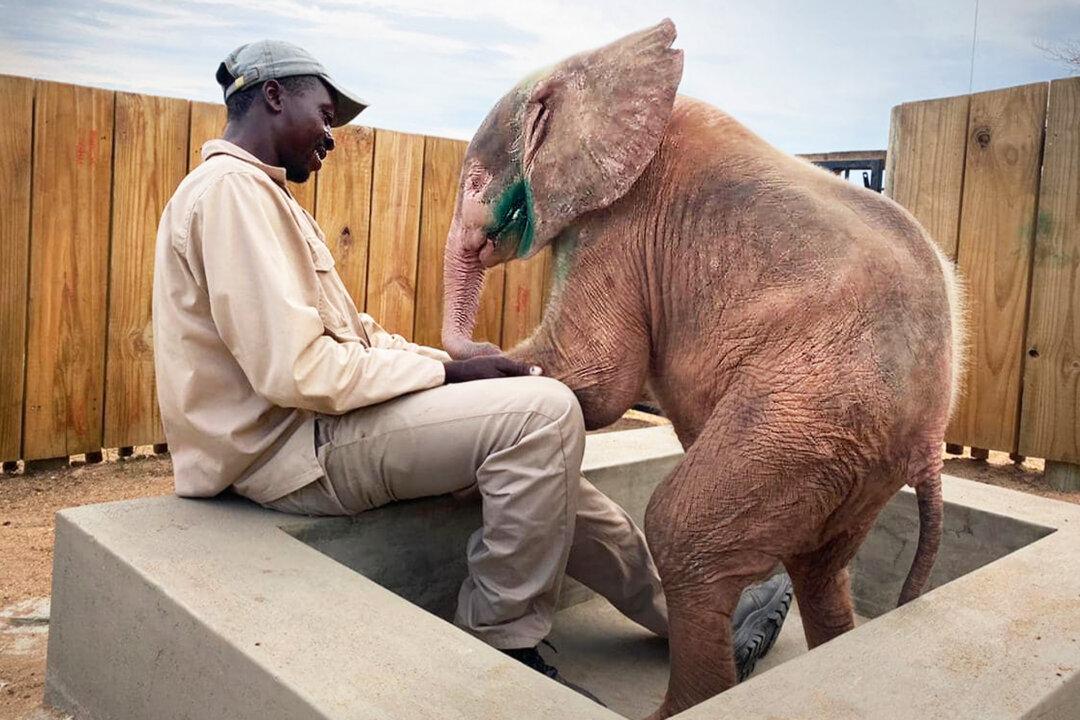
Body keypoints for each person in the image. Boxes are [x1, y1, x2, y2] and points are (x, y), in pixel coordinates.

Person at [152, 39, 791, 701]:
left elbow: (353, 339)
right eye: (325, 112)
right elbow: (298, 372)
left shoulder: (260, 196)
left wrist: (456, 361)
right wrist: (449, 380)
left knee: (542, 446)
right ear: (274, 95)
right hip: (288, 451)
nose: (332, 135)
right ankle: (500, 643)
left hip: (313, 431)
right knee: (543, 417)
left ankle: (688, 621)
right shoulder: (230, 195)